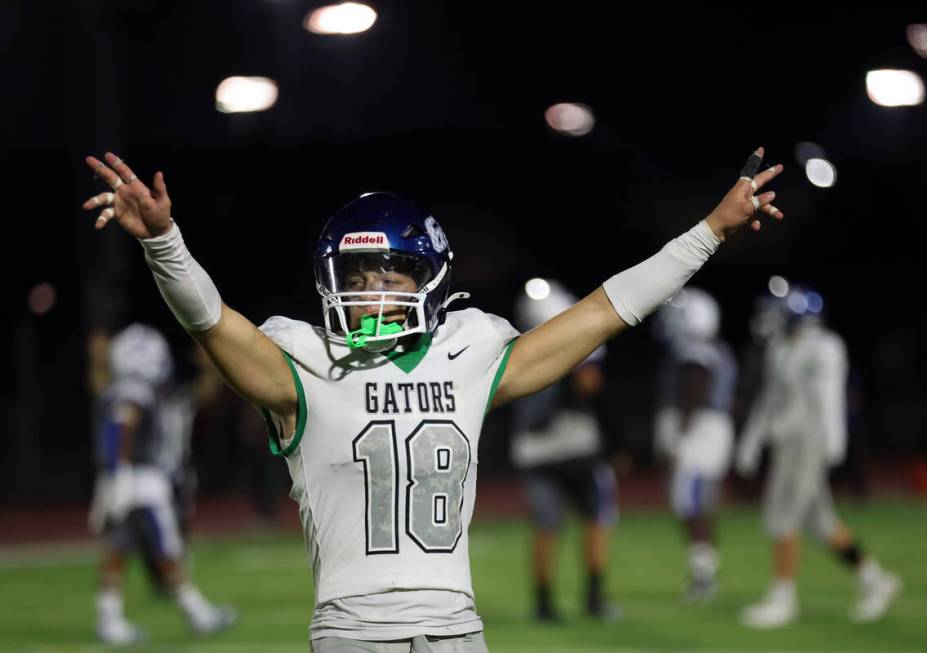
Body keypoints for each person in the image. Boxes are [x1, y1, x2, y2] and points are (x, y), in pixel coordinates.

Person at [82, 147, 783, 650]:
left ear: (430, 277)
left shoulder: (471, 348)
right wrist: (165, 245)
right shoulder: (301, 359)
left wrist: (711, 231)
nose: (369, 289)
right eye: (355, 275)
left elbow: (605, 311)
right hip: (354, 631)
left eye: (387, 271)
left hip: (458, 627)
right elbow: (212, 321)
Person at [736, 285, 902, 628]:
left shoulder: (824, 347)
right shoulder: (780, 349)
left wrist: (834, 440)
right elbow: (770, 398)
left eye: (778, 313)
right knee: (820, 522)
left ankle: (783, 598)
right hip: (786, 443)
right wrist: (752, 441)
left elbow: (828, 397)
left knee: (782, 517)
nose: (771, 320)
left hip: (807, 442)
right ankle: (876, 580)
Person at [87, 323, 238, 644]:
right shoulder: (134, 390)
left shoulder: (122, 388)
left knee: (118, 548)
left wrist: (115, 474)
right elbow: (122, 425)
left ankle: (110, 619)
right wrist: (122, 471)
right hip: (140, 482)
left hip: (123, 478)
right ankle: (197, 614)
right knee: (165, 549)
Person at [510, 279, 620, 622]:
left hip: (533, 450)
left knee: (546, 527)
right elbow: (591, 385)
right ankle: (594, 599)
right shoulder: (575, 341)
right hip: (575, 446)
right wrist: (618, 441)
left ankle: (543, 605)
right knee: (596, 520)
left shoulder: (513, 345)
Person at [652, 288, 736, 603]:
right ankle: (703, 569)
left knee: (691, 502)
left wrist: (679, 436)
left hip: (699, 432)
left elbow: (695, 387)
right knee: (694, 503)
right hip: (707, 430)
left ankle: (704, 576)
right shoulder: (715, 348)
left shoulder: (695, 350)